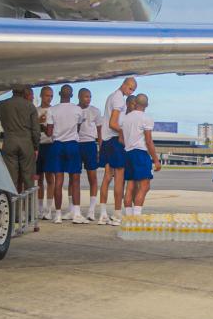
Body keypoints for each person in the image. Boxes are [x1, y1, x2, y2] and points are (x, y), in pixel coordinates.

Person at [0, 85, 40, 193]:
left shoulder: (4, 104)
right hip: (26, 142)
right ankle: (28, 206)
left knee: (11, 177)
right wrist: (36, 146)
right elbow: (36, 131)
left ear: (12, 91)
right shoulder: (30, 106)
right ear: (24, 92)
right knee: (28, 177)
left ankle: (11, 202)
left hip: (9, 141)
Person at [45, 85, 87, 224]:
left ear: (59, 94)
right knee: (75, 180)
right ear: (72, 95)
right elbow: (78, 127)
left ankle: (57, 214)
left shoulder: (52, 110)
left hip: (57, 145)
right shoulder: (78, 110)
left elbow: (49, 133)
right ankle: (76, 213)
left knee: (58, 180)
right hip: (72, 145)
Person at [98, 77, 137, 226]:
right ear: (124, 85)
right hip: (115, 141)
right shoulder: (119, 99)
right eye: (130, 88)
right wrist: (124, 132)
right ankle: (117, 214)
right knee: (119, 178)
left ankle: (102, 214)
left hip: (107, 140)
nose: (131, 91)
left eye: (133, 90)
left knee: (107, 177)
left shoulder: (111, 96)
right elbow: (113, 123)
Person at [119, 94, 161, 215]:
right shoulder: (146, 118)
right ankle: (136, 217)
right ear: (146, 105)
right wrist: (156, 160)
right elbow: (148, 141)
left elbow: (121, 140)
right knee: (144, 186)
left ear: (135, 103)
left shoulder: (125, 118)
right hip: (140, 153)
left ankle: (128, 218)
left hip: (128, 153)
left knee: (130, 186)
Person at [65, 88, 103, 221]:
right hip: (75, 144)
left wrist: (100, 149)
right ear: (79, 97)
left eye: (90, 97)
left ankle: (91, 211)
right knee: (73, 178)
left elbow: (100, 132)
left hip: (90, 145)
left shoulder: (95, 111)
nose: (88, 99)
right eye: (86, 97)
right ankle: (73, 210)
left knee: (92, 177)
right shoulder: (74, 110)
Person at [35, 86, 55, 219]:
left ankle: (49, 209)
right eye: (47, 95)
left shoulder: (54, 111)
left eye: (51, 96)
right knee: (39, 179)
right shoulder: (35, 111)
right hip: (38, 146)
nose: (49, 98)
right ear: (41, 95)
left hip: (50, 145)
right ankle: (40, 208)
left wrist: (44, 126)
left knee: (50, 178)